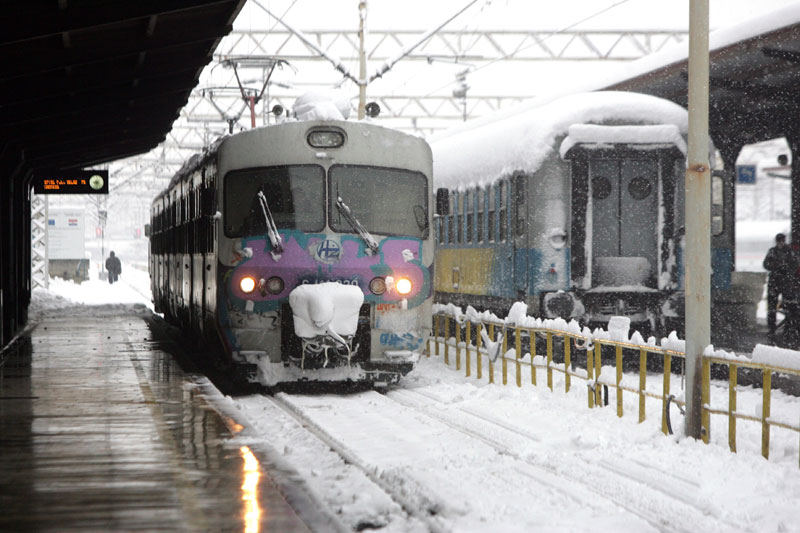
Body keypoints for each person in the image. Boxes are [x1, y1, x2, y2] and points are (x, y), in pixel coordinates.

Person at [763, 233, 797, 340]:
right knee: (772, 306)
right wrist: (775, 266)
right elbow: (766, 264)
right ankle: (772, 327)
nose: (780, 243)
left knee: (788, 305)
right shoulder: (773, 251)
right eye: (779, 241)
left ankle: (788, 327)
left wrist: (786, 270)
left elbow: (795, 264)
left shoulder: (789, 251)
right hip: (775, 282)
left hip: (785, 282)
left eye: (781, 241)